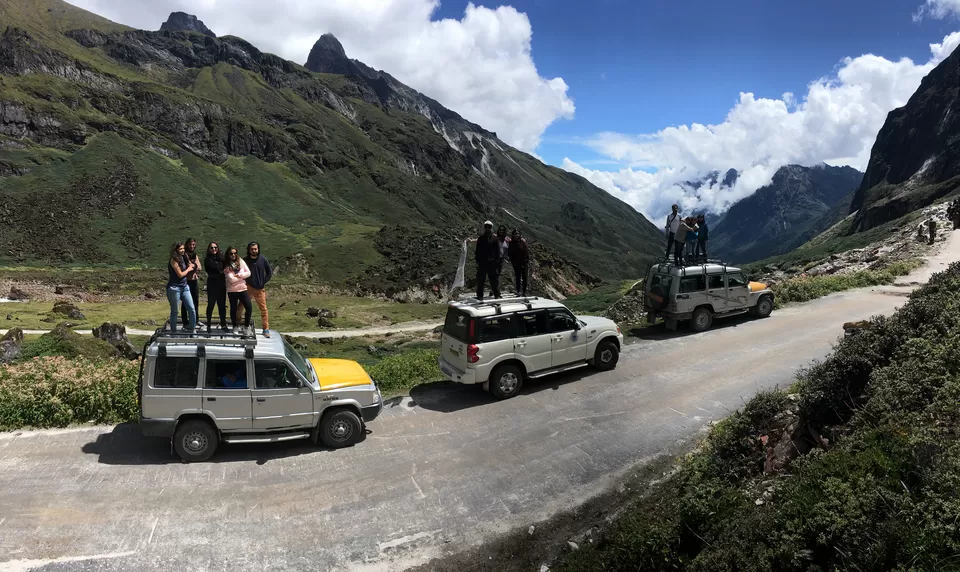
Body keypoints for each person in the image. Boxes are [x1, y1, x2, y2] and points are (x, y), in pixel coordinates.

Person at [243, 242, 274, 338]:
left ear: (258, 249)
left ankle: (266, 329)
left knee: (263, 310)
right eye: (252, 249)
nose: (254, 251)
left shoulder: (262, 259)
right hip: (248, 287)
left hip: (260, 289)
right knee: (241, 307)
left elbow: (269, 272)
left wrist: (263, 281)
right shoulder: (245, 260)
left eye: (255, 249)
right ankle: (240, 326)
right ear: (249, 250)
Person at [166, 242, 197, 334]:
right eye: (180, 249)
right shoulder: (173, 260)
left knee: (191, 308)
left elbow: (193, 266)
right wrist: (189, 269)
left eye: (183, 248)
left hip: (184, 287)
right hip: (174, 288)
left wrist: (192, 265)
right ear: (176, 250)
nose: (183, 250)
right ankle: (173, 331)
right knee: (175, 311)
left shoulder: (184, 257)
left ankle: (191, 328)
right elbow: (180, 274)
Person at [223, 246, 253, 335]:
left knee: (249, 307)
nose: (233, 255)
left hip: (243, 289)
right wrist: (242, 276)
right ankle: (235, 326)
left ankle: (246, 326)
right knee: (233, 309)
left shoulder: (240, 261)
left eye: (235, 253)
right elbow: (231, 279)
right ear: (228, 255)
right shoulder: (226, 265)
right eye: (231, 253)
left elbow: (249, 273)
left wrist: (239, 275)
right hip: (232, 291)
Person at [204, 241, 227, 333]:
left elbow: (226, 267)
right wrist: (223, 270)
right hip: (212, 285)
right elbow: (215, 269)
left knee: (222, 306)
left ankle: (224, 324)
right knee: (211, 305)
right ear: (209, 249)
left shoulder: (221, 258)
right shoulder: (207, 259)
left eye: (215, 248)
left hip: (221, 285)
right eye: (212, 248)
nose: (214, 249)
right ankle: (208, 324)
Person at [475, 220, 501, 300]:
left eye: (489, 227)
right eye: (486, 226)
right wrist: (477, 260)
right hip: (482, 262)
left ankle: (497, 294)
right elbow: (477, 250)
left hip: (492, 263)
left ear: (491, 228)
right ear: (484, 227)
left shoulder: (495, 238)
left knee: (494, 279)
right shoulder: (481, 238)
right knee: (481, 279)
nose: (487, 228)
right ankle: (480, 295)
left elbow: (497, 250)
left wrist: (497, 261)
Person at [180, 238, 201, 329]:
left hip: (194, 280)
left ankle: (196, 320)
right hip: (186, 281)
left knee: (195, 301)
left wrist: (193, 266)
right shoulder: (183, 255)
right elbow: (186, 268)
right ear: (186, 245)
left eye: (193, 244)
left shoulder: (195, 255)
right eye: (190, 245)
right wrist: (192, 266)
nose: (192, 246)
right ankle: (185, 322)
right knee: (185, 302)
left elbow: (199, 267)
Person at [507, 229, 530, 296]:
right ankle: (518, 291)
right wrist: (513, 263)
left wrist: (525, 263)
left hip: (524, 264)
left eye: (518, 234)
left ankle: (524, 292)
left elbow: (526, 253)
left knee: (524, 277)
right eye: (515, 233)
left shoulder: (523, 242)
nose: (516, 235)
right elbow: (510, 254)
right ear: (513, 235)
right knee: (518, 277)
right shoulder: (511, 243)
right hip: (516, 264)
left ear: (520, 235)